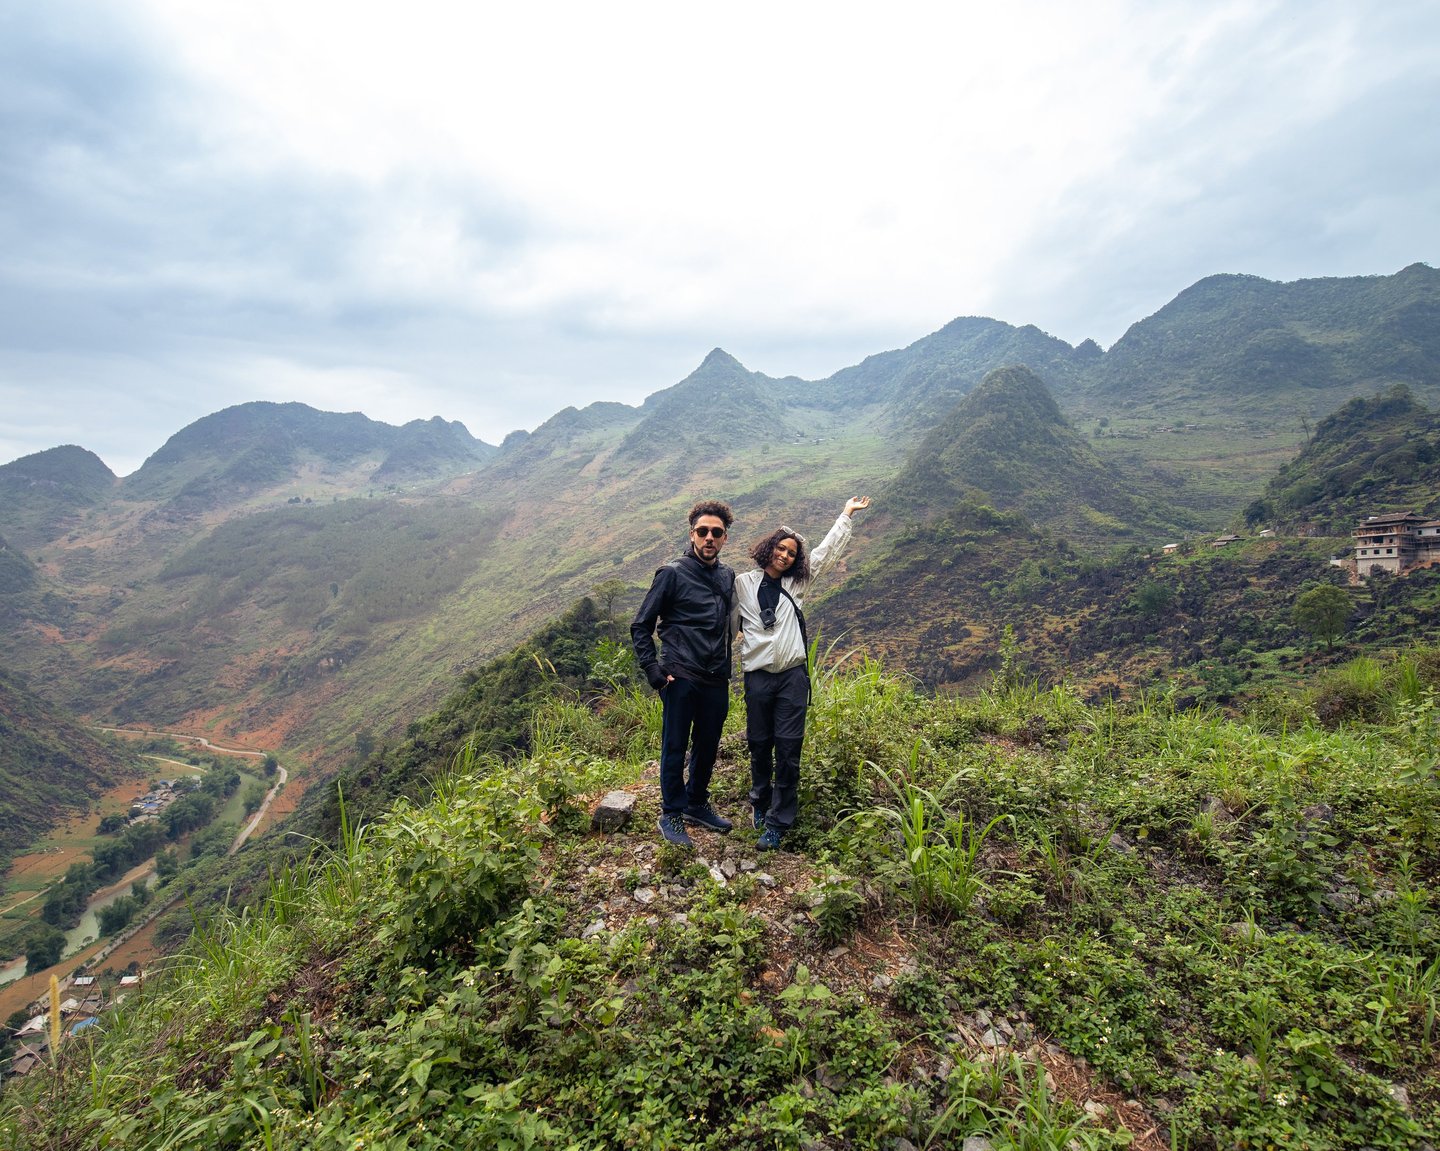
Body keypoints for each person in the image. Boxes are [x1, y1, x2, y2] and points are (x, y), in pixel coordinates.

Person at [736, 496, 870, 850]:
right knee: (759, 744)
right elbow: (720, 620)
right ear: (769, 548)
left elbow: (826, 554)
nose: (784, 555)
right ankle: (760, 803)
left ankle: (779, 821)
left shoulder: (797, 586)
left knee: (789, 748)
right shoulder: (742, 585)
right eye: (780, 548)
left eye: (791, 553)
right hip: (759, 677)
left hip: (792, 678)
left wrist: (845, 514)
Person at [631, 500, 738, 848]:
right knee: (675, 746)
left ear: (724, 538)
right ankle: (671, 813)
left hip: (716, 675)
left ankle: (695, 802)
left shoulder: (727, 576)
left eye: (716, 533)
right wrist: (654, 671)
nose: (709, 537)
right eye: (703, 531)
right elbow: (641, 625)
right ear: (692, 534)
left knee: (708, 745)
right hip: (681, 673)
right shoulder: (671, 573)